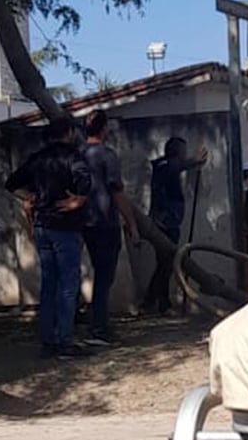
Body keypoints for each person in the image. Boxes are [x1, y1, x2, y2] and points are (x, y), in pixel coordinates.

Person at [6, 117, 92, 357]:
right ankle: (65, 341)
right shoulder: (72, 156)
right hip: (65, 226)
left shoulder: (39, 158)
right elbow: (85, 179)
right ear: (69, 132)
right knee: (67, 285)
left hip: (42, 225)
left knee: (49, 285)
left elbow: (11, 183)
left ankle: (48, 341)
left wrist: (28, 198)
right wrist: (80, 199)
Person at [81, 110, 136, 346]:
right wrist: (131, 222)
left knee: (76, 275)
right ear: (104, 129)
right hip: (104, 221)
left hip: (80, 222)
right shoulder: (107, 155)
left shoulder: (77, 154)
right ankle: (99, 328)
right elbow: (117, 191)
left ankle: (84, 323)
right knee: (104, 277)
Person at [142, 135, 207, 315]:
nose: (184, 155)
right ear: (177, 152)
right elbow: (175, 167)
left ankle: (157, 303)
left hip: (169, 222)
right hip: (164, 223)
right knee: (166, 264)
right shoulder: (164, 167)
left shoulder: (166, 167)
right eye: (183, 152)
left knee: (165, 265)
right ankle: (155, 303)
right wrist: (194, 161)